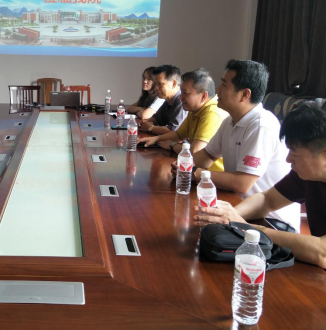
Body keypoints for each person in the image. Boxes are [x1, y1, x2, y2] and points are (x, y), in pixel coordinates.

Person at [195, 100, 326, 269]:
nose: (288, 159)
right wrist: (230, 215)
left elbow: (322, 251)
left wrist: (247, 228)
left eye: (294, 153)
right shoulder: (307, 175)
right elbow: (267, 200)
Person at [187, 59, 300, 231]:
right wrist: (184, 165)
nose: (218, 89)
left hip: (270, 221)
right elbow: (206, 156)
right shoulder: (230, 121)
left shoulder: (261, 125)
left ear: (245, 94)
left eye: (224, 84)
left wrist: (196, 173)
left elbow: (242, 183)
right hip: (238, 207)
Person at [139, 68, 228, 171]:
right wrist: (155, 139)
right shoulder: (195, 109)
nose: (181, 97)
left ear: (203, 96)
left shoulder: (212, 114)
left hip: (210, 176)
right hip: (197, 170)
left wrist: (172, 145)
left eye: (185, 93)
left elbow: (195, 152)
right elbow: (179, 135)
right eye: (181, 93)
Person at [138, 64, 188, 135]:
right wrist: (145, 122)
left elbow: (174, 131)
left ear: (174, 83)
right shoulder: (167, 99)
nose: (156, 88)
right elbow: (157, 119)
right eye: (155, 84)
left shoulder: (182, 101)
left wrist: (150, 128)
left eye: (160, 84)